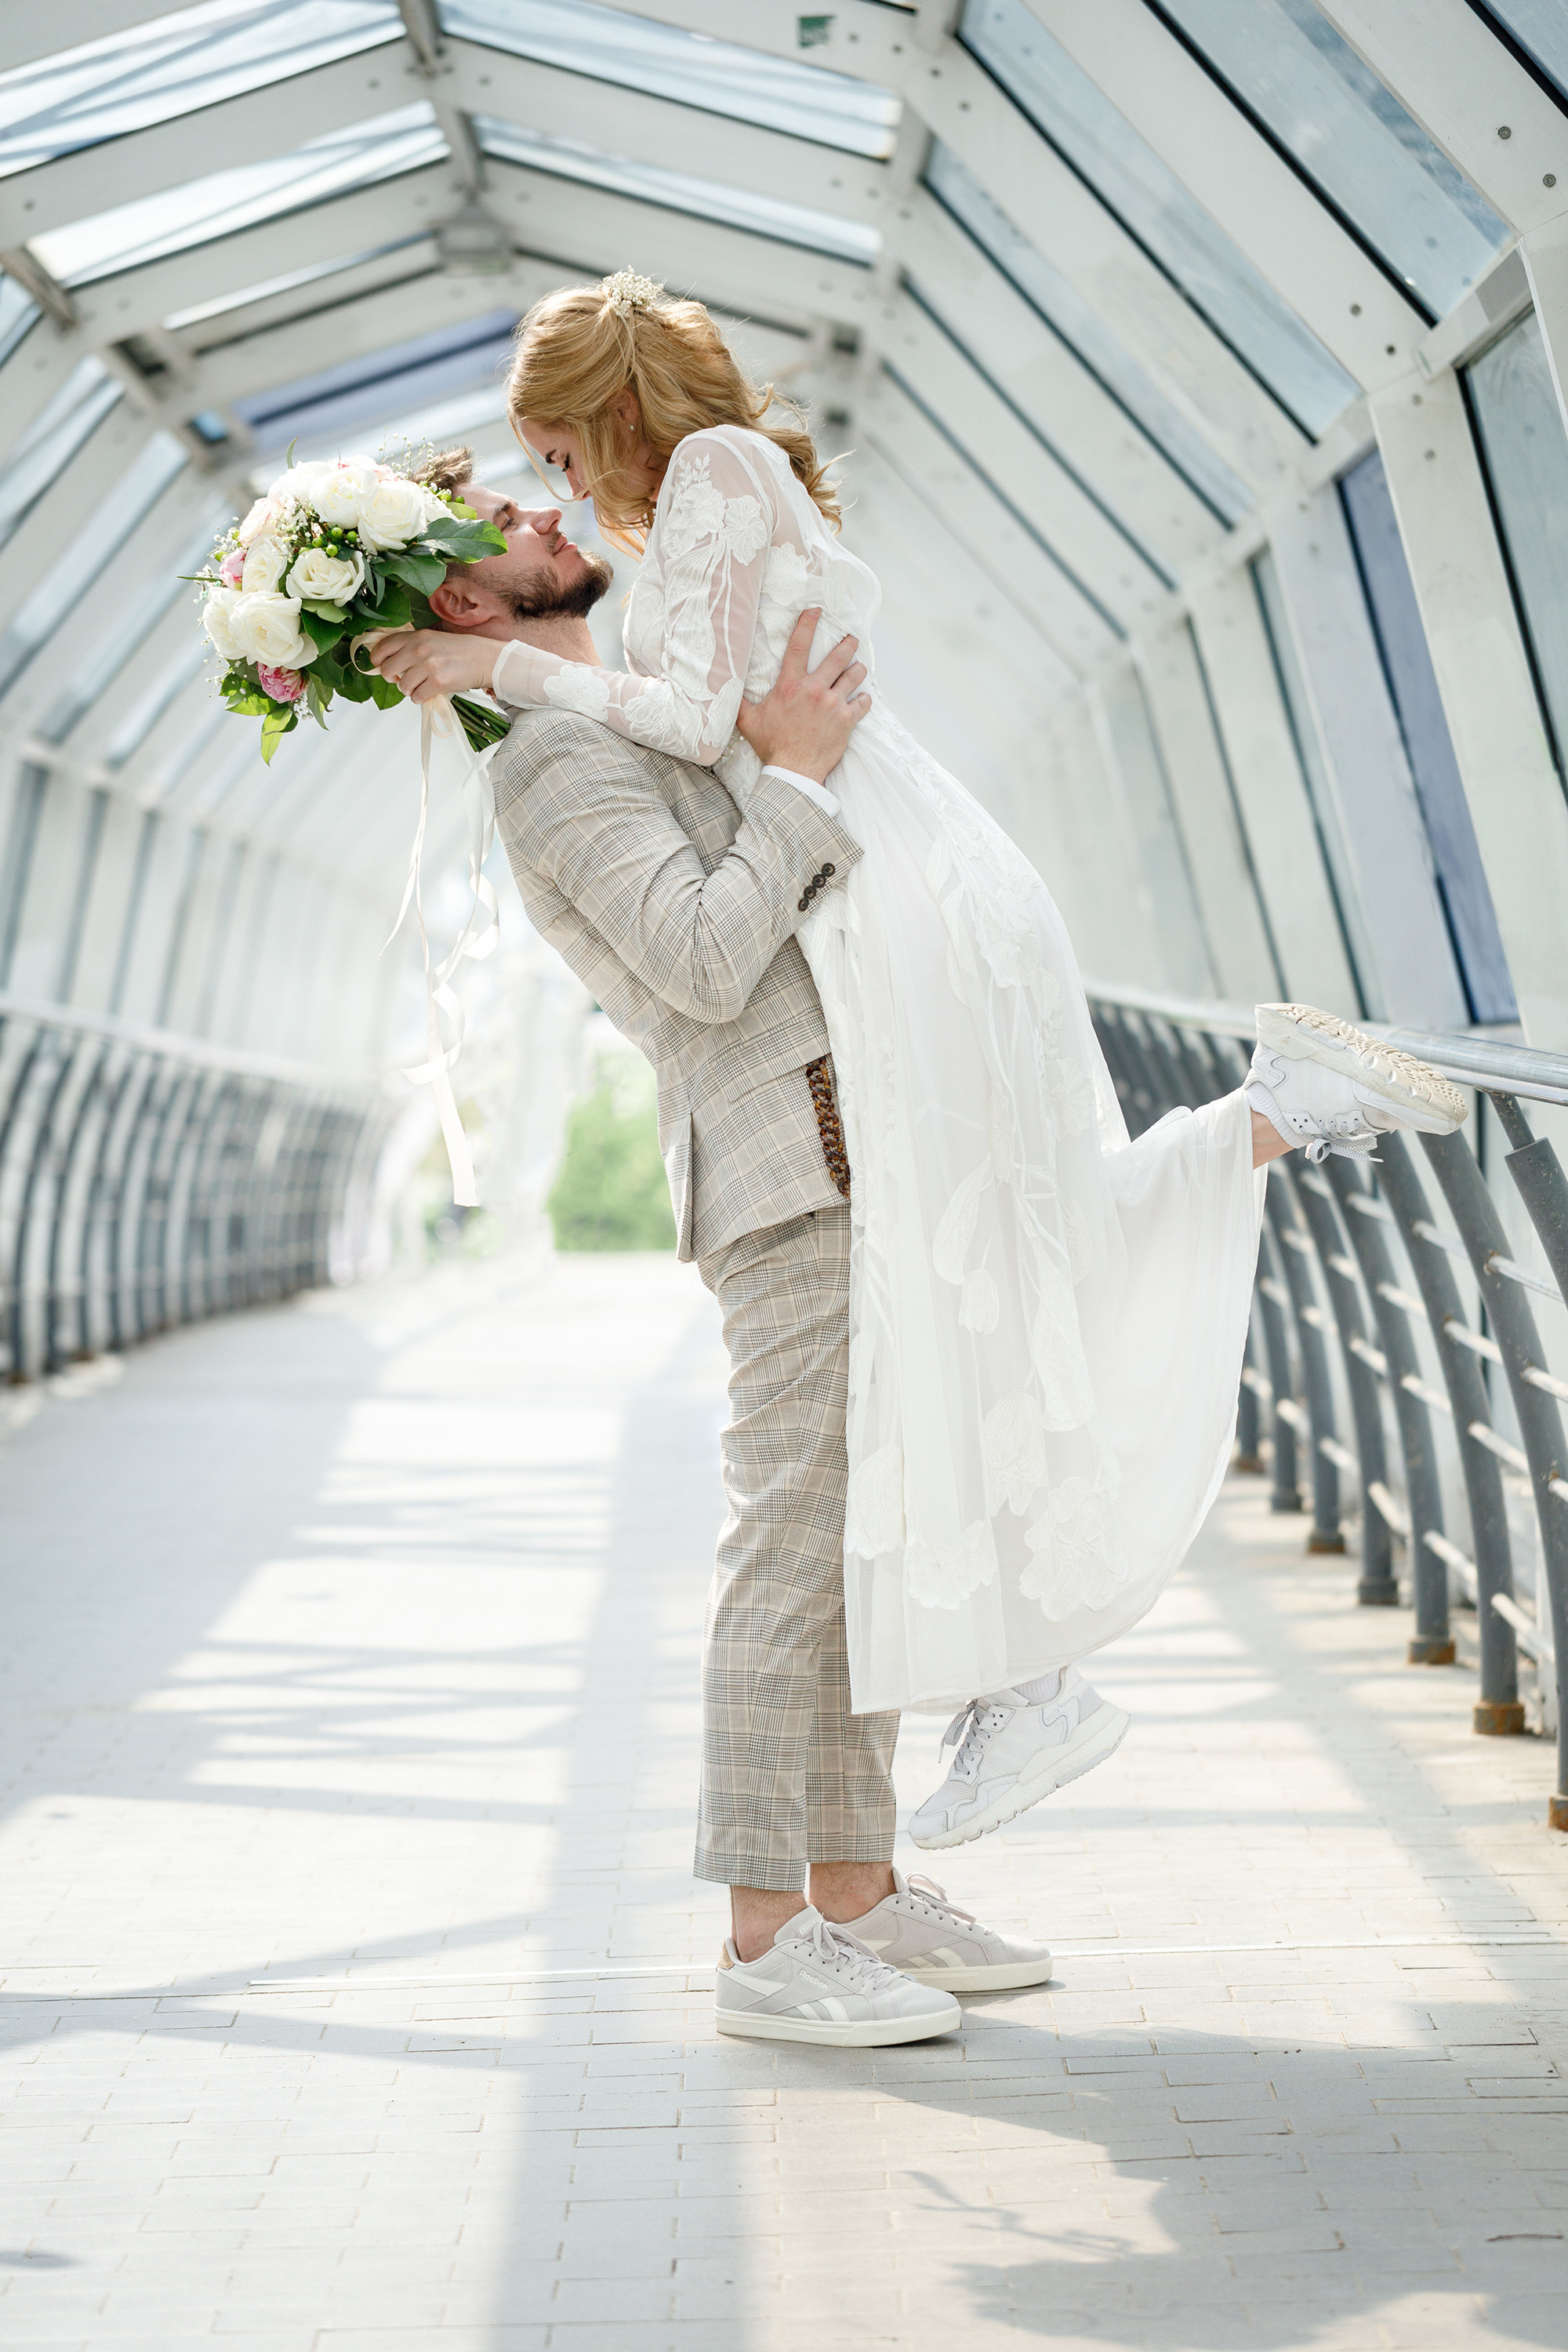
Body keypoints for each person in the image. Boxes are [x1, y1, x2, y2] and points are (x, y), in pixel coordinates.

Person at [372, 310, 1465, 2016]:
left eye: (555, 467)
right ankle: (761, 1938)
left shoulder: (617, 661)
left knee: (861, 1517)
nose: (554, 508)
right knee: (793, 1547)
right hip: (794, 1154)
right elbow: (708, 956)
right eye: (519, 522)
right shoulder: (555, 755)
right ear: (461, 606)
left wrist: (781, 762)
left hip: (868, 1108)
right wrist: (798, 780)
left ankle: (860, 1895)